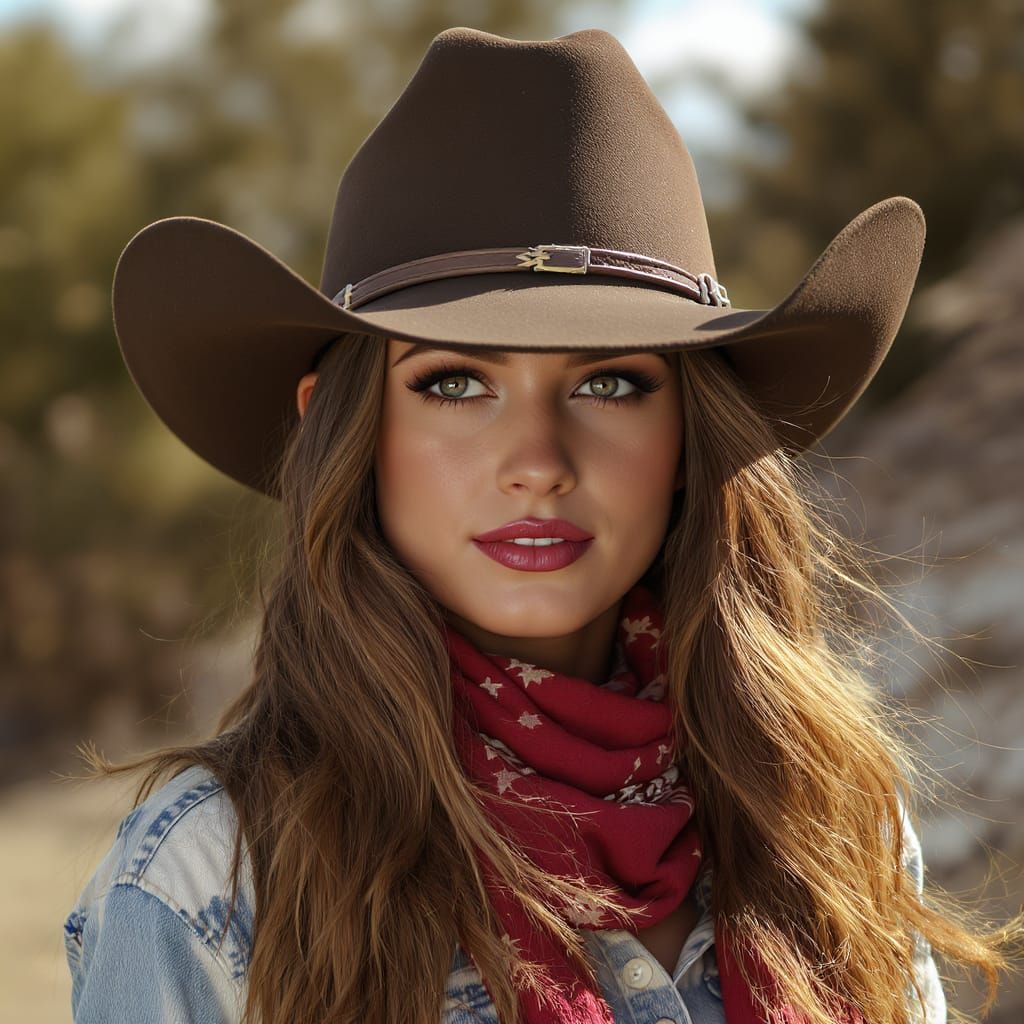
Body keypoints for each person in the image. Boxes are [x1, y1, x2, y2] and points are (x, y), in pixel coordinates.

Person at [63, 25, 1021, 1024]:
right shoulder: (211, 882)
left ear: (690, 430)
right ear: (342, 428)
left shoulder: (831, 822)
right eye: (454, 381)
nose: (536, 461)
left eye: (609, 382)